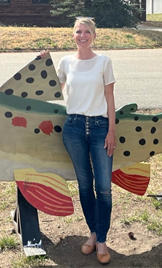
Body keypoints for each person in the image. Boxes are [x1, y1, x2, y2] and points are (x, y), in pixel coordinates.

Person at [42, 17, 116, 264]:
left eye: (86, 31)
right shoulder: (66, 62)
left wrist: (111, 130)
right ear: (72, 35)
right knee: (85, 185)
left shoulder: (104, 62)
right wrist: (43, 63)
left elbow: (110, 97)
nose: (82, 35)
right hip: (73, 127)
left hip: (99, 127)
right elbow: (53, 87)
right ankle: (94, 233)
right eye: (78, 32)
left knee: (103, 187)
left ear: (94, 35)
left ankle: (102, 239)